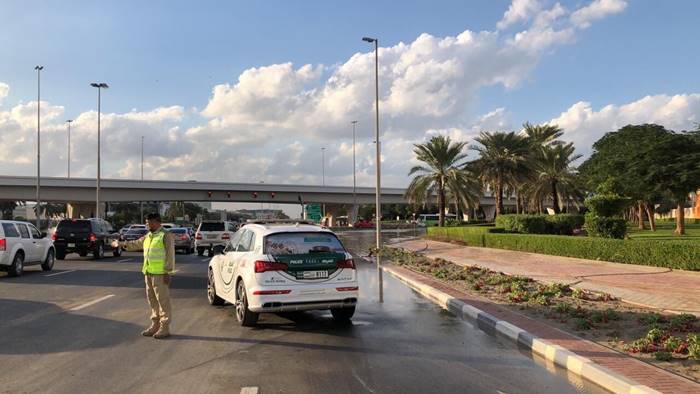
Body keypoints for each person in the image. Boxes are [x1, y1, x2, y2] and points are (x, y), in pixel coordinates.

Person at [113, 213, 175, 339]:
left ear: (157, 222)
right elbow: (136, 244)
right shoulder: (149, 236)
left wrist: (167, 272)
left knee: (163, 301)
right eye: (146, 222)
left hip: (160, 274)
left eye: (149, 222)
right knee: (152, 301)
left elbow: (170, 255)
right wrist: (120, 244)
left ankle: (165, 327)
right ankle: (155, 325)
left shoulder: (165, 235)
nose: (147, 224)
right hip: (148, 272)